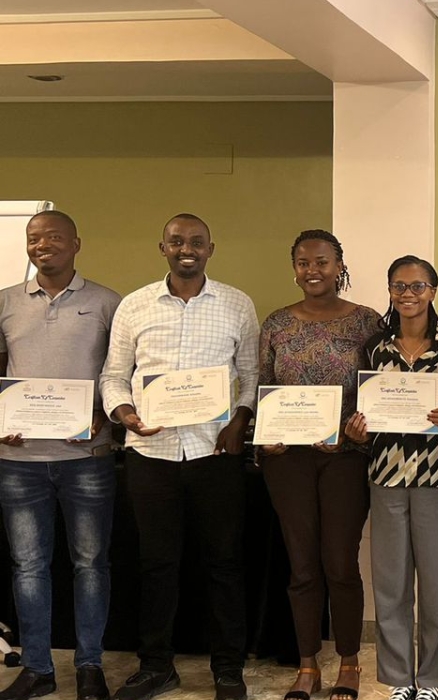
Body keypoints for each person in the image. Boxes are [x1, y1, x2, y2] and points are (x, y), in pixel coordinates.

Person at [99, 213, 258, 700]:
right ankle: (156, 666)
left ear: (211, 248)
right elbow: (113, 376)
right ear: (162, 247)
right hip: (151, 452)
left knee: (224, 564)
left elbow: (250, 375)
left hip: (216, 452)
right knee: (156, 565)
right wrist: (124, 413)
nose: (186, 248)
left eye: (196, 241)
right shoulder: (134, 306)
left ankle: (228, 669)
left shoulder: (237, 304)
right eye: (176, 241)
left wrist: (238, 422)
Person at [0, 211, 121, 700]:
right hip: (18, 462)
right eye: (33, 238)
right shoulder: (5, 303)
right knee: (28, 566)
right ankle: (37, 669)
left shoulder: (108, 302)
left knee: (90, 564)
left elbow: (121, 376)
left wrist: (106, 419)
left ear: (77, 243)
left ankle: (90, 666)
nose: (42, 245)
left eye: (53, 237)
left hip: (87, 457)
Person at [256, 230, 380, 700]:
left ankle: (349, 662)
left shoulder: (366, 322)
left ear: (339, 266)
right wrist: (265, 440)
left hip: (345, 460)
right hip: (287, 462)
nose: (313, 270)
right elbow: (262, 388)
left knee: (340, 564)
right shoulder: (277, 323)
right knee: (302, 566)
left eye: (323, 262)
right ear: (294, 267)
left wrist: (357, 431)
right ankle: (308, 666)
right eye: (304, 262)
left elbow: (378, 389)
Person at [344, 256, 438, 700]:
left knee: (436, 584)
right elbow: (366, 405)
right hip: (386, 475)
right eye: (398, 286)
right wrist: (358, 428)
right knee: (390, 583)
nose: (407, 294)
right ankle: (398, 680)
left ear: (433, 290)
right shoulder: (375, 347)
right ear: (390, 291)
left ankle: (430, 680)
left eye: (417, 286)